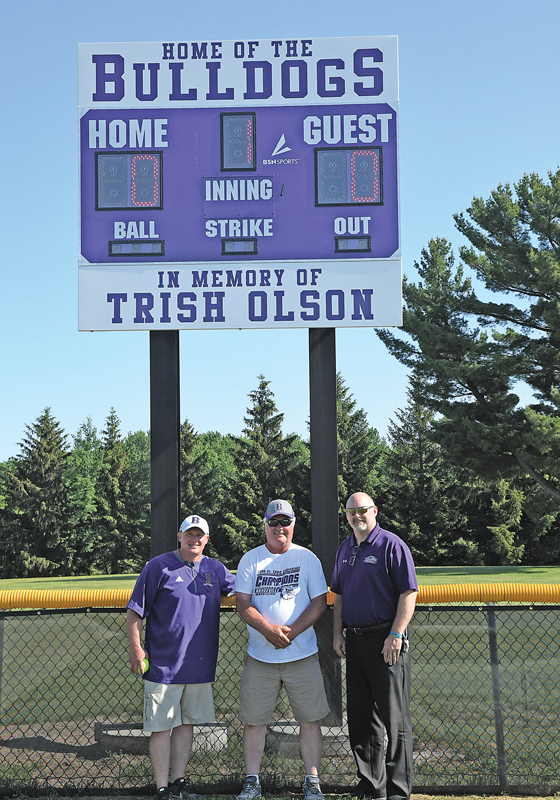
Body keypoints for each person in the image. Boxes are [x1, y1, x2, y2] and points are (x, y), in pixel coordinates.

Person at [126, 515, 235, 800]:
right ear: (179, 535)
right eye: (189, 533)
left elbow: (242, 589)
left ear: (207, 539)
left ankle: (178, 784)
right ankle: (162, 788)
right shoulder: (158, 566)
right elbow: (135, 611)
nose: (194, 539)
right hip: (163, 664)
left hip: (198, 665)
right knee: (161, 728)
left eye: (200, 535)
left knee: (186, 725)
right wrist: (136, 647)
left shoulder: (215, 568)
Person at [235, 499, 330, 800]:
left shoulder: (307, 559)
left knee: (309, 720)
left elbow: (320, 601)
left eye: (285, 522)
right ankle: (252, 782)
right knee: (254, 721)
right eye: (274, 522)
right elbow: (242, 603)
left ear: (293, 524)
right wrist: (268, 631)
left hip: (301, 653)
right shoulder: (251, 559)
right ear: (264, 525)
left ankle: (312, 782)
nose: (280, 528)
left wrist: (290, 633)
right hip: (260, 655)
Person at [331, 493, 418, 800]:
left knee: (395, 721)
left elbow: (409, 593)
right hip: (354, 641)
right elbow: (338, 595)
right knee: (361, 718)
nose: (358, 515)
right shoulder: (345, 548)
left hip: (386, 641)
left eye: (363, 510)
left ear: (374, 511)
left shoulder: (391, 545)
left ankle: (397, 791)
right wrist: (337, 634)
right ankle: (371, 786)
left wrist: (396, 634)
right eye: (352, 511)